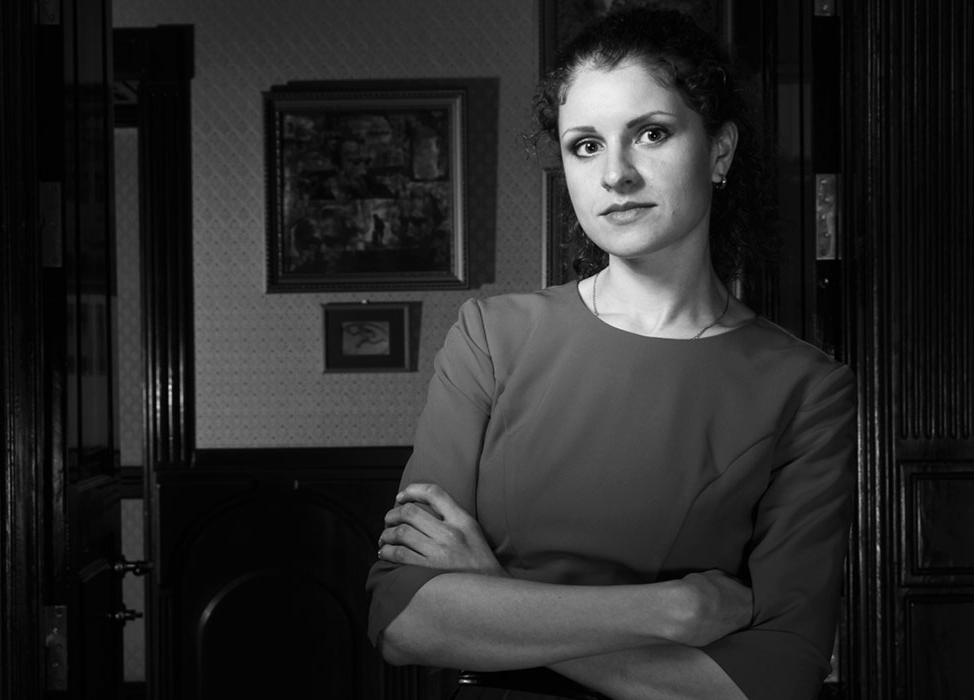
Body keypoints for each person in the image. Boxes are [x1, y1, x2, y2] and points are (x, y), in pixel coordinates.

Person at [366, 7, 856, 700]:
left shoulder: (806, 388)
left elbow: (775, 679)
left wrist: (491, 591)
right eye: (586, 145)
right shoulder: (490, 337)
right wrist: (669, 611)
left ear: (719, 151)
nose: (616, 174)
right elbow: (404, 622)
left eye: (651, 134)